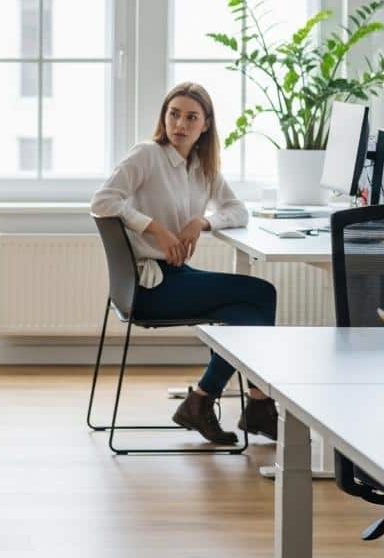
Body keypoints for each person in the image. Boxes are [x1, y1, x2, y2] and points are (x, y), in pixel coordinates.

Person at [90, 82, 279, 445]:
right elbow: (102, 201)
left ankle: (220, 402)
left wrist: (202, 222)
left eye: (191, 117)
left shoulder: (202, 168)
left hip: (177, 277)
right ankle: (237, 403)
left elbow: (237, 210)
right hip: (149, 287)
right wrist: (155, 228)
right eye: (173, 113)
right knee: (259, 294)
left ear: (205, 124)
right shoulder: (147, 155)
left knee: (246, 308)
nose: (180, 123)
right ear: (164, 117)